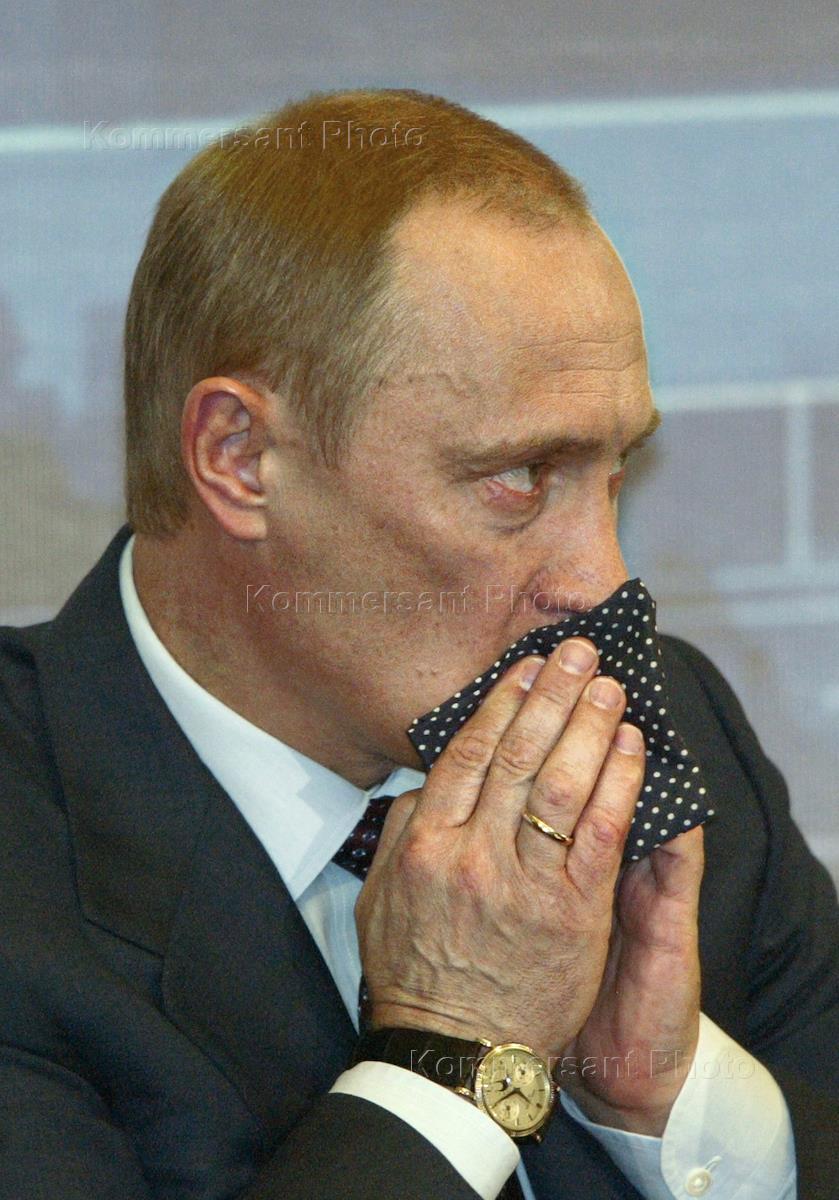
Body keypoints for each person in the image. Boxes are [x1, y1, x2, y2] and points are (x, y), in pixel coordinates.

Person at [0, 87, 836, 1200]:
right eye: (520, 477)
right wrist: (452, 1051)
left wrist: (669, 1096)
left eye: (612, 470)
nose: (602, 582)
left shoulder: (656, 734)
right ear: (240, 459)